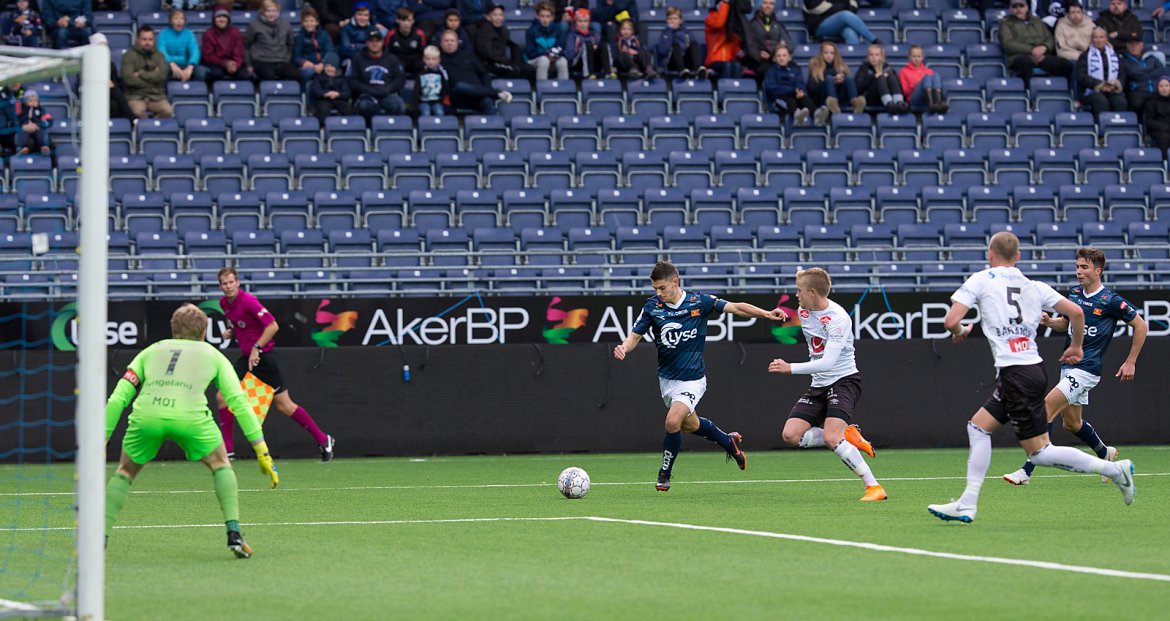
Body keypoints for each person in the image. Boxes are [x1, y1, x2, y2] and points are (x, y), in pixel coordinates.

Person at [928, 232, 1136, 523]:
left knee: (1039, 452)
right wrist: (1076, 346)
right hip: (1032, 369)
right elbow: (1076, 313)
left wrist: (961, 331)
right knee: (978, 427)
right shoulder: (1033, 285)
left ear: (990, 254)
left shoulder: (980, 279)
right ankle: (967, 502)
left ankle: (1115, 469)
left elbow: (951, 321)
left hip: (1017, 375)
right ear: (1019, 257)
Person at [105, 304, 280, 558]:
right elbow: (239, 403)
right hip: (191, 418)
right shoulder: (214, 355)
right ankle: (234, 533)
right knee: (221, 464)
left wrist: (101, 440)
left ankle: (100, 537)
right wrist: (262, 451)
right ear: (204, 331)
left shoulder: (151, 350)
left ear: (172, 329)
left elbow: (117, 399)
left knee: (124, 472)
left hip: (148, 416)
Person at [613, 261, 787, 492]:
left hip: (693, 379)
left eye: (662, 288)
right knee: (690, 424)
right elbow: (635, 336)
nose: (658, 293)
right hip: (667, 380)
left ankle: (664, 474)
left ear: (675, 282)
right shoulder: (652, 306)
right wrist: (624, 347)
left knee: (673, 420)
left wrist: (766, 313)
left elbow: (736, 307)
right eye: (655, 288)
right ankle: (729, 441)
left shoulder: (699, 302)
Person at [1002, 248, 1147, 486]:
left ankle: (1026, 471)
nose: (1078, 271)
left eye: (1084, 267)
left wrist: (1131, 361)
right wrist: (1050, 322)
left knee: (1047, 407)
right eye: (1078, 266)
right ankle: (1105, 454)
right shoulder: (1075, 294)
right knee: (1072, 424)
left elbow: (1140, 326)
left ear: (1097, 271)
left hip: (1088, 369)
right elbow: (1066, 325)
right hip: (1070, 367)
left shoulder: (1110, 300)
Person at [767, 268, 887, 502]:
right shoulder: (803, 310)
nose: (795, 294)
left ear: (812, 292)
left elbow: (828, 362)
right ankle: (848, 435)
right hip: (819, 384)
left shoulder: (839, 319)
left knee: (833, 439)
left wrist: (789, 367)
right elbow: (797, 322)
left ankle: (874, 487)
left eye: (799, 290)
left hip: (844, 380)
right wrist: (778, 315)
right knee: (790, 435)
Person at [214, 268, 335, 461]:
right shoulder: (224, 303)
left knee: (285, 406)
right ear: (220, 286)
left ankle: (323, 439)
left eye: (231, 282)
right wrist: (231, 331)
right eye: (224, 283)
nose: (228, 287)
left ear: (237, 283)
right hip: (247, 359)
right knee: (222, 396)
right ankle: (228, 451)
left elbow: (273, 326)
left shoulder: (248, 301)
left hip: (265, 357)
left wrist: (256, 347)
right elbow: (238, 322)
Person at [1000, 0, 1073, 86]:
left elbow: (1050, 38)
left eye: (1021, 6)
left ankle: (1058, 91)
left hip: (1041, 55)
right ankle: (1029, 93)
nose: (1018, 9)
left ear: (1027, 7)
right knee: (1024, 62)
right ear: (1010, 9)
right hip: (1020, 56)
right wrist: (1031, 50)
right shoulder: (1005, 23)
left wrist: (1044, 47)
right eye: (1015, 7)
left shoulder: (1037, 20)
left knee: (1065, 64)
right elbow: (1008, 44)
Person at [439, 28, 512, 114]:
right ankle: (497, 93)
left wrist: (486, 89)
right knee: (459, 85)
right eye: (446, 41)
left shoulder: (469, 55)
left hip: (478, 95)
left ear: (457, 42)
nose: (449, 43)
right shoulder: (438, 59)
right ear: (441, 43)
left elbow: (484, 74)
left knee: (487, 101)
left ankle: (494, 126)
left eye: (452, 40)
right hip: (458, 98)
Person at [348, 29, 408, 118]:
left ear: (382, 42)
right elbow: (352, 81)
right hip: (366, 94)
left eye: (377, 41)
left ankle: (390, 129)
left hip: (387, 93)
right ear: (367, 43)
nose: (375, 44)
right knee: (364, 106)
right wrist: (367, 89)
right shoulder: (358, 59)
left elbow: (400, 79)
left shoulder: (392, 59)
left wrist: (389, 88)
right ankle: (368, 130)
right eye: (371, 41)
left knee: (399, 105)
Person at [122, 26, 174, 119]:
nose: (147, 42)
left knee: (168, 110)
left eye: (150, 39)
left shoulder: (160, 55)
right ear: (137, 39)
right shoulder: (128, 55)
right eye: (144, 39)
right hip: (135, 96)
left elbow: (161, 76)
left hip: (156, 96)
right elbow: (129, 79)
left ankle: (153, 127)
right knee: (137, 111)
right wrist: (153, 78)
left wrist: (141, 74)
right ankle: (145, 127)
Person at [475, 3, 536, 80]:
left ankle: (531, 91)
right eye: (495, 15)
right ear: (488, 17)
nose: (498, 18)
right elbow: (486, 54)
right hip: (490, 63)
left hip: (503, 61)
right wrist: (504, 60)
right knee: (514, 70)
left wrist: (516, 61)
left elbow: (512, 45)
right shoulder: (484, 30)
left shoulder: (503, 30)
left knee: (529, 69)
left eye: (500, 15)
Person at [1077, 27, 1127, 116]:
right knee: (1100, 101)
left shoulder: (1115, 55)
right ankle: (1103, 127)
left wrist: (1116, 84)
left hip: (1112, 89)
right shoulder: (1085, 56)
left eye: (1101, 37)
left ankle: (1119, 128)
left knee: (1121, 101)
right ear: (1092, 39)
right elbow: (1081, 75)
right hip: (1092, 91)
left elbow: (1122, 74)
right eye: (1096, 37)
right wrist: (1100, 85)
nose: (1099, 40)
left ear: (1106, 39)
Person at [245, 0, 301, 81]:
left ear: (278, 12)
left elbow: (290, 44)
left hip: (282, 61)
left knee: (298, 76)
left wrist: (287, 58)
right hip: (262, 61)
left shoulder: (286, 25)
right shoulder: (254, 26)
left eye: (274, 11)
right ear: (263, 12)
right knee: (269, 76)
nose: (271, 14)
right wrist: (248, 65)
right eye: (268, 11)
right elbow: (246, 45)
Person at [808, 40, 864, 120]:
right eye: (826, 53)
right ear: (821, 54)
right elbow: (811, 87)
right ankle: (833, 103)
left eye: (832, 53)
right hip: (823, 98)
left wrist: (841, 80)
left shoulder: (841, 66)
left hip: (841, 98)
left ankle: (856, 104)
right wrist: (830, 81)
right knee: (829, 78)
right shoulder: (815, 66)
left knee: (848, 78)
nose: (829, 56)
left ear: (835, 54)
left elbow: (849, 85)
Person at [763, 44, 814, 126]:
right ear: (774, 59)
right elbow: (770, 88)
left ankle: (817, 116)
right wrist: (792, 90)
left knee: (806, 100)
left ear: (789, 57)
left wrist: (800, 91)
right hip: (779, 97)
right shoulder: (771, 71)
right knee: (790, 102)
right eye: (778, 56)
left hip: (795, 95)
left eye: (784, 55)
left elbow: (800, 82)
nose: (781, 58)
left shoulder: (795, 70)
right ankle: (797, 116)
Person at [653, 6, 706, 79]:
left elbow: (694, 49)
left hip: (686, 60)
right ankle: (682, 71)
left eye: (675, 19)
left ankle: (699, 69)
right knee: (676, 46)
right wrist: (669, 32)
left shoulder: (686, 33)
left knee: (694, 43)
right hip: (672, 63)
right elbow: (663, 51)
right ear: (666, 20)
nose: (672, 21)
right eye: (670, 19)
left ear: (680, 21)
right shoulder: (665, 34)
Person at [743, 0, 793, 78]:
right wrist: (759, 54)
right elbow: (748, 45)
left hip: (776, 58)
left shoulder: (779, 26)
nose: (768, 6)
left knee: (794, 68)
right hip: (758, 60)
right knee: (768, 69)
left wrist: (776, 53)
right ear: (759, 5)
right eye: (765, 3)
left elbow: (790, 45)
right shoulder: (751, 25)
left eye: (771, 4)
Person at [1120, 32, 1165, 116]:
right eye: (1131, 44)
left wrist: (1143, 75)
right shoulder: (1124, 60)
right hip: (1138, 91)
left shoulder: (1151, 57)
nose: (1134, 46)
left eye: (1136, 44)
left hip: (1155, 91)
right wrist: (1150, 72)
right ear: (1127, 46)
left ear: (1141, 45)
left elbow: (1161, 70)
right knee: (1137, 103)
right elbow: (1134, 73)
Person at [203, 8, 254, 82]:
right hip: (216, 63)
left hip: (233, 63)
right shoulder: (208, 34)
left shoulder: (235, 32)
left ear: (228, 19)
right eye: (218, 17)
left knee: (244, 75)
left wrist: (235, 65)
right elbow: (208, 56)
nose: (221, 19)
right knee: (216, 73)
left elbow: (239, 53)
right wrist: (225, 63)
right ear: (214, 19)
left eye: (224, 16)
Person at [856, 43, 907, 114]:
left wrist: (888, 75)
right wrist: (873, 77)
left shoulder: (887, 67)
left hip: (888, 94)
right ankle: (889, 104)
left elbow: (897, 84)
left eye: (877, 55)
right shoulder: (864, 68)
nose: (874, 57)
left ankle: (899, 102)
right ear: (867, 57)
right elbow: (859, 87)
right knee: (880, 78)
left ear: (881, 56)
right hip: (871, 97)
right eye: (871, 55)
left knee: (891, 77)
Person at [158, 10, 206, 83]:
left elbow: (195, 50)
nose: (179, 21)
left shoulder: (189, 34)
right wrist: (172, 64)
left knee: (201, 71)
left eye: (182, 19)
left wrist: (190, 66)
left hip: (186, 63)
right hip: (169, 64)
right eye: (176, 19)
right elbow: (161, 50)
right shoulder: (163, 34)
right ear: (170, 21)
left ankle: (194, 92)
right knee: (163, 69)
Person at [802, 0, 878, 46]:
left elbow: (853, 4)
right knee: (845, 15)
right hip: (818, 23)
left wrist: (841, 9)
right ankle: (874, 40)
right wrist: (842, 8)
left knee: (850, 32)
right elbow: (813, 6)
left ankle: (852, 67)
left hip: (841, 22)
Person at [524, 2, 569, 81]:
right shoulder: (531, 31)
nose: (545, 19)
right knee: (544, 60)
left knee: (562, 61)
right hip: (535, 60)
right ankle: (542, 89)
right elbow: (530, 53)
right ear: (537, 17)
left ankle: (564, 89)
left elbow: (561, 48)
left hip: (552, 59)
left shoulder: (557, 30)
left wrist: (555, 55)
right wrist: (546, 54)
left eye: (548, 16)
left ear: (552, 17)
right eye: (542, 16)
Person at [564, 8, 612, 78]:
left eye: (585, 21)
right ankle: (588, 74)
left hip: (595, 63)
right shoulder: (572, 36)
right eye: (580, 21)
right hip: (578, 65)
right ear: (575, 22)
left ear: (589, 23)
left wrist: (595, 48)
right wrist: (578, 48)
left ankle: (608, 73)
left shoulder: (594, 35)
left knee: (603, 45)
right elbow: (569, 57)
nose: (583, 24)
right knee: (587, 45)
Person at [899, 44, 948, 114]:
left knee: (936, 75)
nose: (916, 59)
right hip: (914, 100)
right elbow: (904, 92)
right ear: (909, 57)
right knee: (927, 77)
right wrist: (917, 85)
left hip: (928, 97)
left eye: (919, 56)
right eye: (914, 56)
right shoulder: (904, 71)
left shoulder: (929, 71)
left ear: (922, 57)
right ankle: (931, 105)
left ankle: (937, 103)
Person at [294, 6, 337, 83]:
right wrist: (303, 62)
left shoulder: (324, 35)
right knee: (308, 73)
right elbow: (296, 56)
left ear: (317, 22)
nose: (309, 24)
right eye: (306, 21)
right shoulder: (299, 37)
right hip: (309, 66)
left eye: (311, 21)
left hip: (324, 64)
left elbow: (330, 51)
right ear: (302, 23)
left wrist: (323, 64)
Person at [704, 0, 744, 80]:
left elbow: (734, 44)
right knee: (727, 65)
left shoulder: (730, 24)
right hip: (714, 59)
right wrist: (725, 4)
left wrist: (743, 53)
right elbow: (719, 24)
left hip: (729, 59)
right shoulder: (710, 17)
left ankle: (735, 90)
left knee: (737, 65)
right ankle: (726, 89)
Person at [309, 52, 352, 121]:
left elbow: (347, 92)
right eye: (327, 66)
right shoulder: (319, 78)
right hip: (323, 100)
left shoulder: (342, 79)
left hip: (338, 99)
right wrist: (325, 94)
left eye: (332, 66)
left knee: (347, 108)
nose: (329, 69)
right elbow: (315, 90)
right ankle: (322, 128)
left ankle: (348, 127)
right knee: (323, 109)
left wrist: (338, 94)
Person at [415, 45, 448, 116]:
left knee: (439, 112)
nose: (430, 61)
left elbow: (445, 87)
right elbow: (416, 89)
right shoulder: (421, 73)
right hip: (423, 101)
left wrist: (443, 100)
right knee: (426, 112)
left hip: (437, 101)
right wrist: (415, 104)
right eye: (428, 59)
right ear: (424, 59)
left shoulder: (441, 73)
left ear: (438, 60)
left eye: (433, 59)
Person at [16, 90, 51, 156]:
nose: (33, 102)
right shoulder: (22, 110)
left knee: (42, 133)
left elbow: (48, 120)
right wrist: (23, 126)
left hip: (37, 127)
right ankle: (23, 148)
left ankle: (44, 147)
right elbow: (17, 119)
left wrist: (39, 125)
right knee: (22, 133)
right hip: (25, 127)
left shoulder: (41, 110)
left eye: (35, 100)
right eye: (30, 101)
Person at [1144, 75, 1170, 152]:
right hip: (1158, 130)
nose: (1164, 88)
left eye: (1166, 85)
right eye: (1161, 86)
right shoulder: (1151, 101)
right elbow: (1149, 121)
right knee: (1164, 137)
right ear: (1157, 88)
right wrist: (1165, 127)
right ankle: (1165, 161)